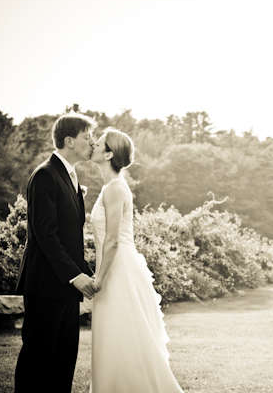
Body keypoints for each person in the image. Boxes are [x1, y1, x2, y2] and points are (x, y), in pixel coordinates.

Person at [89, 127, 184, 392]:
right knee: (116, 336)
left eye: (99, 143)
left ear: (109, 154)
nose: (93, 144)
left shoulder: (115, 189)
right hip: (115, 266)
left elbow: (113, 240)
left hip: (118, 270)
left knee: (121, 334)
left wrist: (99, 279)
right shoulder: (111, 187)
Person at [14, 113, 99, 393]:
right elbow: (45, 235)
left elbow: (70, 239)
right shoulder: (45, 176)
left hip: (64, 286)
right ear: (69, 141)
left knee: (63, 361)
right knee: (38, 359)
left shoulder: (71, 178)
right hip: (45, 284)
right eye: (88, 138)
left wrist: (87, 272)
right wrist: (76, 276)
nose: (92, 143)